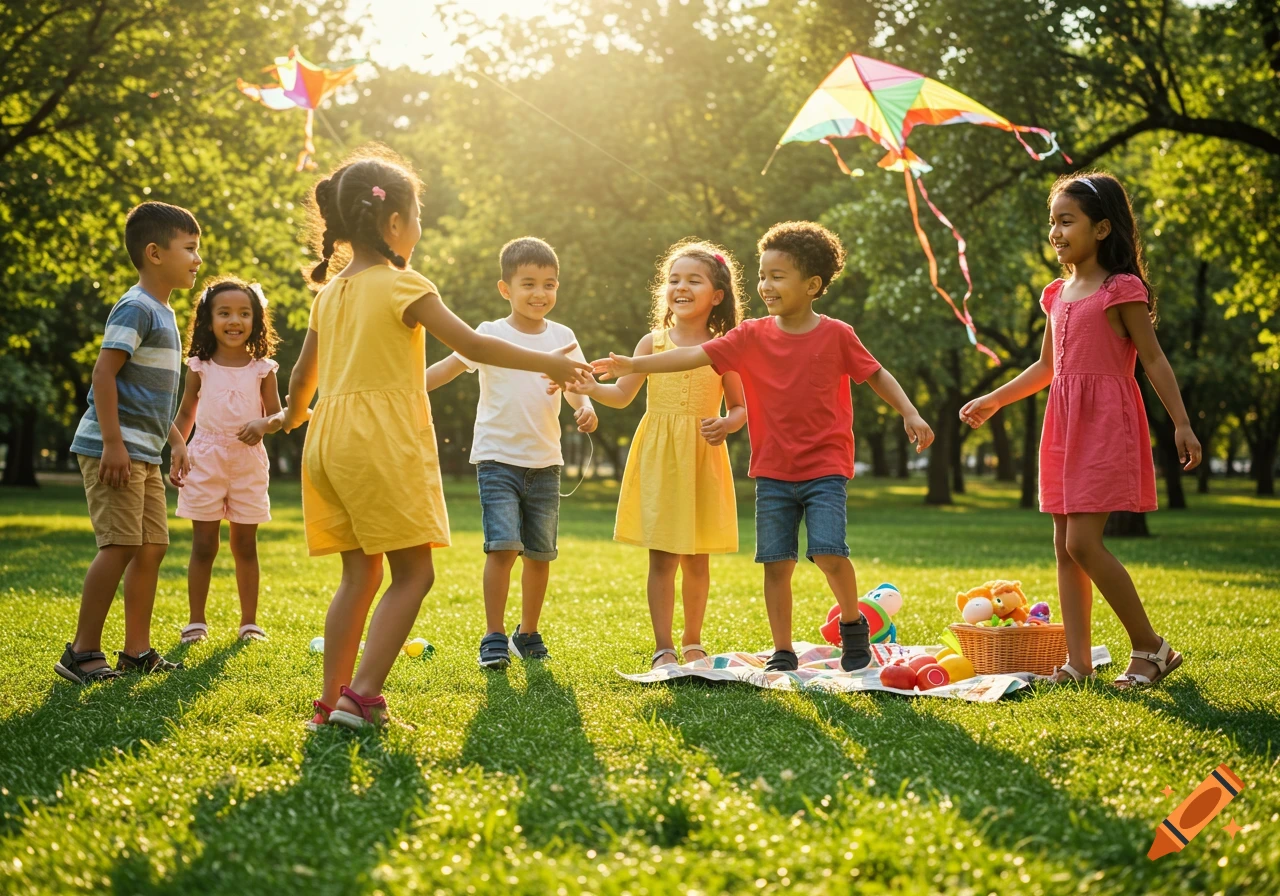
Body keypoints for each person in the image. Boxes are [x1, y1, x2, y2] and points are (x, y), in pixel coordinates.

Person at [281, 146, 591, 731]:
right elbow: (472, 346)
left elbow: (302, 378)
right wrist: (548, 363)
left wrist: (290, 418)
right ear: (393, 222)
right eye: (418, 215)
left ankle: (330, 702)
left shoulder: (329, 294)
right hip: (381, 439)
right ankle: (363, 697)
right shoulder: (403, 284)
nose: (419, 227)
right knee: (413, 575)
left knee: (359, 574)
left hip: (328, 438)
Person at [592, 222, 934, 673]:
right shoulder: (750, 335)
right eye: (762, 274)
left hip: (825, 467)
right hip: (772, 469)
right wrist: (635, 363)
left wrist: (910, 411)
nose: (765, 285)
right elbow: (692, 356)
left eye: (777, 276)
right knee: (776, 564)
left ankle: (854, 624)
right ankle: (783, 650)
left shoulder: (837, 334)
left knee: (830, 552)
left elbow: (876, 374)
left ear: (812, 285)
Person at [960, 172, 1200, 688]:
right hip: (1064, 423)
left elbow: (1153, 359)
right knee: (1064, 545)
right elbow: (1047, 367)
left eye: (1067, 221)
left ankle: (1151, 647)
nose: (1056, 231)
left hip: (1106, 423)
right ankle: (1077, 662)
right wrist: (994, 400)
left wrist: (1181, 423)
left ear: (1104, 228)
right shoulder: (1057, 293)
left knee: (1085, 544)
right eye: (1052, 222)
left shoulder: (1121, 288)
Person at [567, 239, 746, 669]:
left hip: (702, 456)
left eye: (693, 280)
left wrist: (728, 423)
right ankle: (663, 645)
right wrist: (591, 390)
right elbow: (622, 395)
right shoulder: (652, 342)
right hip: (661, 456)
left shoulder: (725, 347)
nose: (680, 287)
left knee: (697, 558)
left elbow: (741, 406)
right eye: (673, 279)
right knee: (663, 556)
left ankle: (693, 640)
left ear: (716, 296)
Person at [426, 237, 598, 669]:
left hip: (546, 462)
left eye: (549, 284)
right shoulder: (488, 335)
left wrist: (586, 407)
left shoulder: (563, 336)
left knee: (540, 556)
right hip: (497, 458)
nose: (540, 293)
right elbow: (444, 371)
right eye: (528, 283)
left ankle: (528, 632)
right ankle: (494, 635)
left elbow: (578, 385)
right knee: (502, 549)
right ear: (506, 289)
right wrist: (399, 388)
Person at [56, 201, 200, 684]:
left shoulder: (165, 311)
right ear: (155, 253)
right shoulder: (137, 307)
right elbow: (104, 374)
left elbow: (153, 399)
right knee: (118, 545)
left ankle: (136, 651)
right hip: (112, 449)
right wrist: (114, 444)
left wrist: (176, 440)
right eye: (190, 249)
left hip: (145, 450)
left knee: (151, 546)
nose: (197, 259)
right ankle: (81, 651)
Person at [172, 275, 286, 644]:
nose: (234, 321)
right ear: (208, 320)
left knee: (245, 545)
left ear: (256, 320)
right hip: (203, 458)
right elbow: (187, 410)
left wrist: (262, 424)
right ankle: (196, 622)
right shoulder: (199, 366)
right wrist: (177, 448)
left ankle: (249, 623)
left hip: (247, 462)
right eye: (224, 313)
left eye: (243, 313)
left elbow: (279, 416)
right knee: (204, 545)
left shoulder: (263, 369)